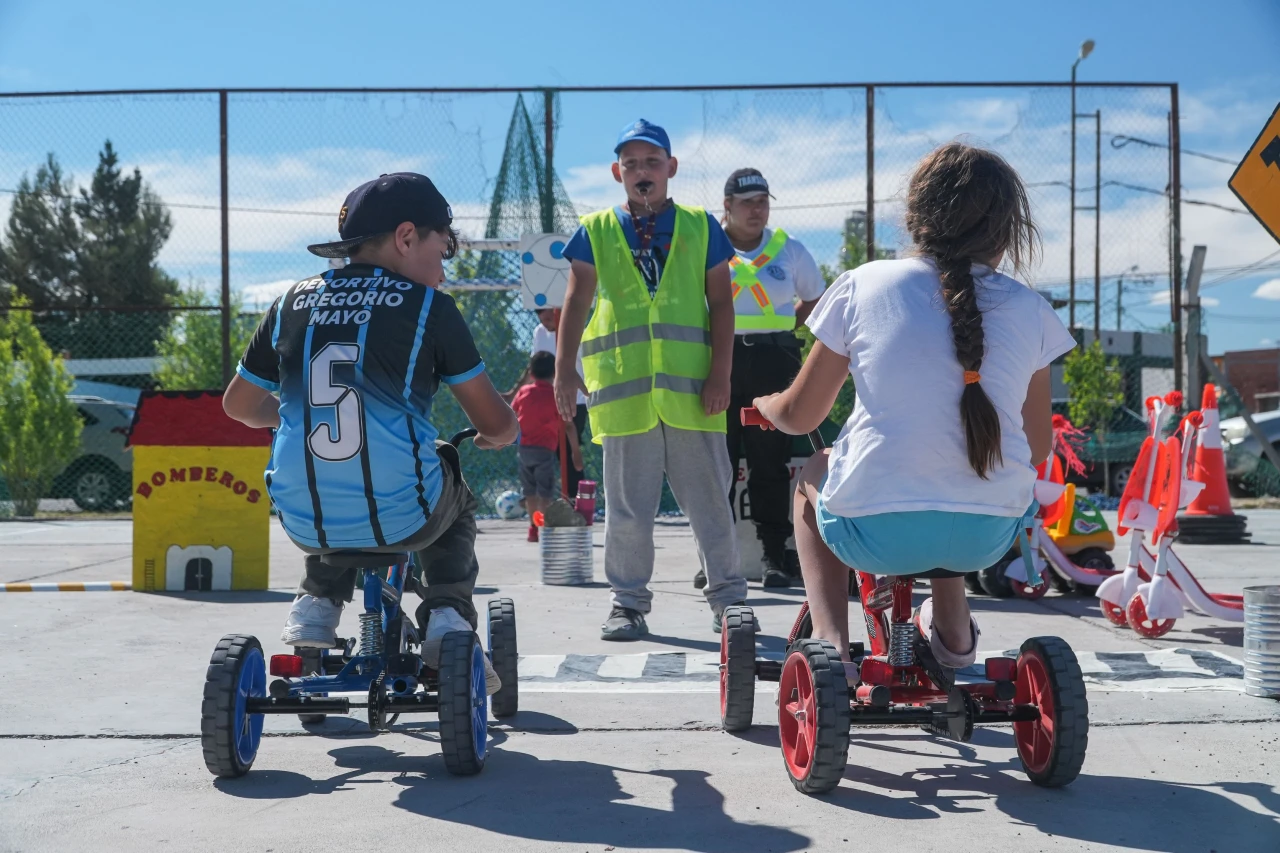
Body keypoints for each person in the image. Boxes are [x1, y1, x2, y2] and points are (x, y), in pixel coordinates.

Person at [753, 142, 1075, 684]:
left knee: (814, 472)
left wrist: (767, 404)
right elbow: (1038, 446)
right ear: (1006, 232)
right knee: (961, 466)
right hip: (988, 536)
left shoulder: (863, 284)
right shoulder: (1032, 309)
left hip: (877, 529)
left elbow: (800, 416)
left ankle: (831, 644)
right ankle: (953, 629)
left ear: (914, 217)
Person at [222, 172, 519, 693]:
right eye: (442, 251)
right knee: (450, 482)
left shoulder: (290, 302)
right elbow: (498, 424)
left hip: (303, 519)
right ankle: (447, 614)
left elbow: (239, 406)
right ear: (406, 237)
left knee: (331, 480)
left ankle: (315, 605)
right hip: (406, 514)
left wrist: (296, 415)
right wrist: (497, 436)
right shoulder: (430, 309)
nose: (443, 272)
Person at [554, 118, 748, 640]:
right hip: (625, 397)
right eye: (632, 164)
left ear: (671, 168)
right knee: (627, 511)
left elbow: (721, 304)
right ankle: (627, 604)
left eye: (652, 162)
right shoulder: (596, 229)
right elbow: (576, 299)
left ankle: (729, 600)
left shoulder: (700, 226)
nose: (642, 171)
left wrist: (721, 374)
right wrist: (564, 368)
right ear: (617, 172)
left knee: (711, 503)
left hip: (693, 394)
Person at [707, 167, 826, 590]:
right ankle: (714, 559)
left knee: (770, 462)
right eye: (747, 203)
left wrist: (782, 328)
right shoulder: (708, 246)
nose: (756, 210)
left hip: (774, 360)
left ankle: (774, 556)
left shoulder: (787, 248)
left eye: (762, 202)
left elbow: (815, 298)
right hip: (718, 361)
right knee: (716, 461)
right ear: (727, 206)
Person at [507, 308, 590, 497]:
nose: (546, 322)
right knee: (541, 451)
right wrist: (514, 393)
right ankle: (541, 500)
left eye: (550, 317)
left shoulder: (576, 330)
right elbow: (534, 367)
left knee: (567, 452)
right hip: (545, 402)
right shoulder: (539, 332)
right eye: (542, 318)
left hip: (573, 399)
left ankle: (574, 501)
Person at [512, 350, 584, 542]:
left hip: (524, 449)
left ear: (531, 373)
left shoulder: (524, 392)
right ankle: (544, 528)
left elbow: (511, 415)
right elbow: (568, 426)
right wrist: (575, 452)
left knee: (530, 492)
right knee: (545, 492)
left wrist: (501, 440)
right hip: (544, 450)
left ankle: (533, 528)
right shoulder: (555, 395)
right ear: (554, 373)